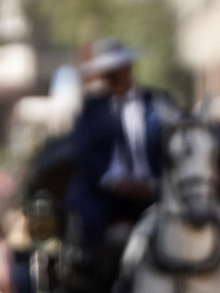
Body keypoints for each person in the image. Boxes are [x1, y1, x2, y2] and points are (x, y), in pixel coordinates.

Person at [65, 38, 173, 247]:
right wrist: (112, 182)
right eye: (107, 72)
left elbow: (173, 145)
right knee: (85, 221)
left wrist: (152, 182)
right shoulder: (93, 108)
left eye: (117, 70)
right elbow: (84, 152)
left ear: (129, 68)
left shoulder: (159, 102)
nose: (112, 77)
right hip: (104, 195)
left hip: (153, 192)